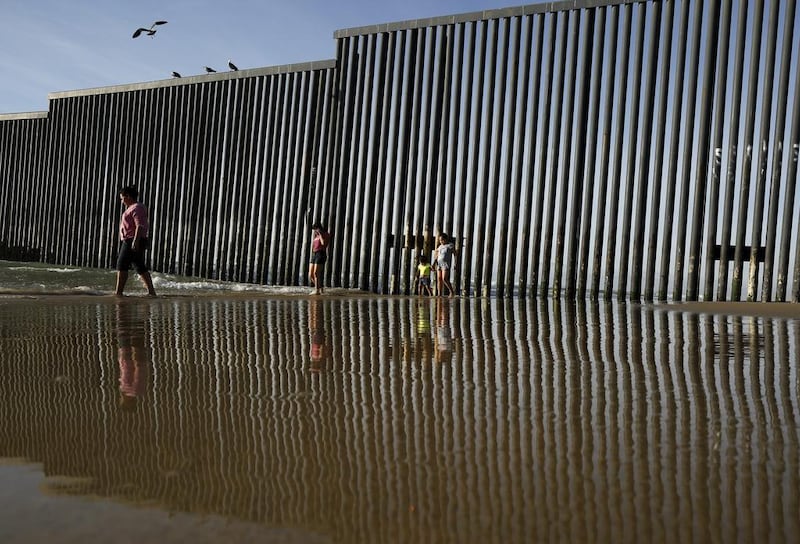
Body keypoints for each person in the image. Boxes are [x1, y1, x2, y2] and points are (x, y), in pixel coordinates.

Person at [115, 186, 156, 297]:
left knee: (121, 264)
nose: (122, 201)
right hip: (133, 239)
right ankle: (151, 292)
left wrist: (135, 241)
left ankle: (119, 293)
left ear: (128, 196)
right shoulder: (133, 208)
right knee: (139, 266)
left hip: (132, 239)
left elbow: (139, 225)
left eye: (122, 198)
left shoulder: (137, 207)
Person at [309, 222, 331, 295]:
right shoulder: (316, 236)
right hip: (314, 254)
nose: (315, 231)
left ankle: (317, 290)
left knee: (316, 273)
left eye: (315, 229)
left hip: (321, 254)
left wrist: (321, 235)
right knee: (311, 274)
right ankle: (320, 288)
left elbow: (324, 244)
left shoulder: (325, 234)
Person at [434, 233, 456, 297]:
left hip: (445, 264)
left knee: (444, 278)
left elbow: (455, 254)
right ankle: (439, 294)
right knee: (439, 279)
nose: (441, 241)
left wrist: (455, 263)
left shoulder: (450, 245)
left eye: (442, 240)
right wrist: (433, 264)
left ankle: (451, 291)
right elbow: (437, 256)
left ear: (446, 239)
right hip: (439, 264)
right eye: (440, 240)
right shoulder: (440, 246)